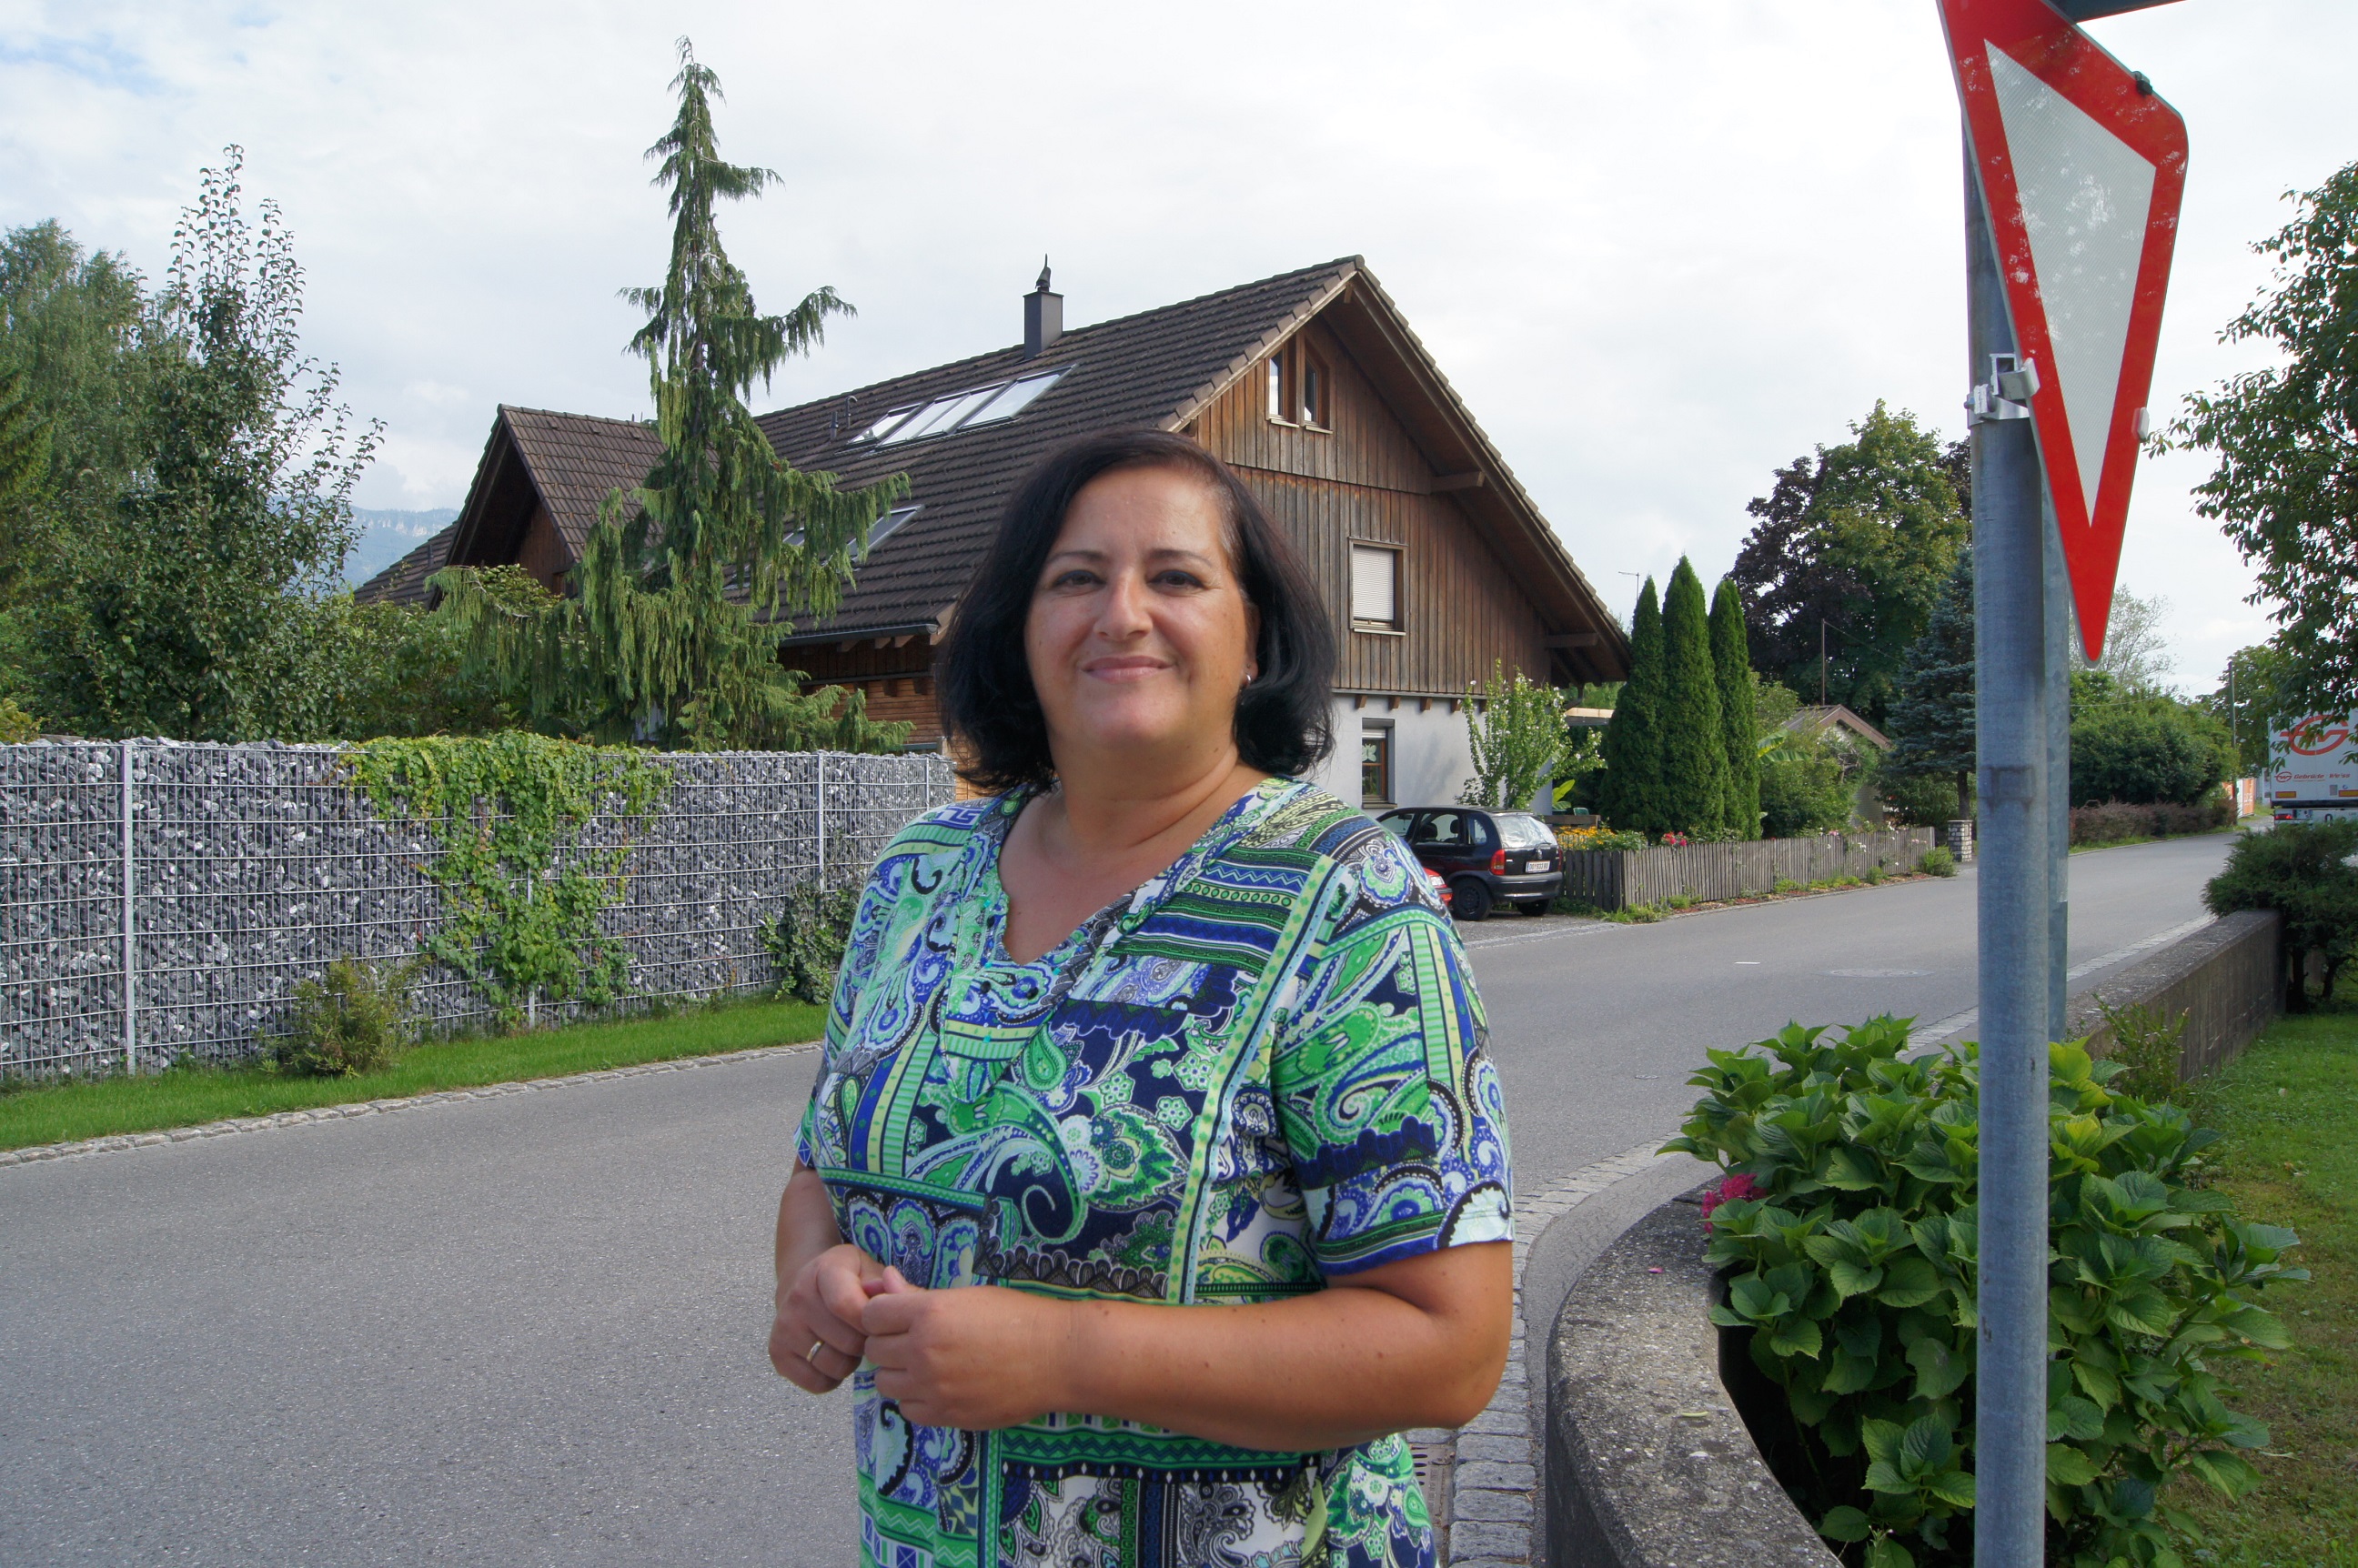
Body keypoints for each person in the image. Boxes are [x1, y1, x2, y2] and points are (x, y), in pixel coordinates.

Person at [768, 429, 1513, 1568]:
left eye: (1175, 576)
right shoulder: (918, 874)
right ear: (1021, 629)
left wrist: (1070, 1355)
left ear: (1253, 637)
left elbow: (1449, 1349)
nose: (1122, 614)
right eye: (1076, 578)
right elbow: (820, 1168)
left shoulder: (1349, 898)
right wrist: (814, 1275)